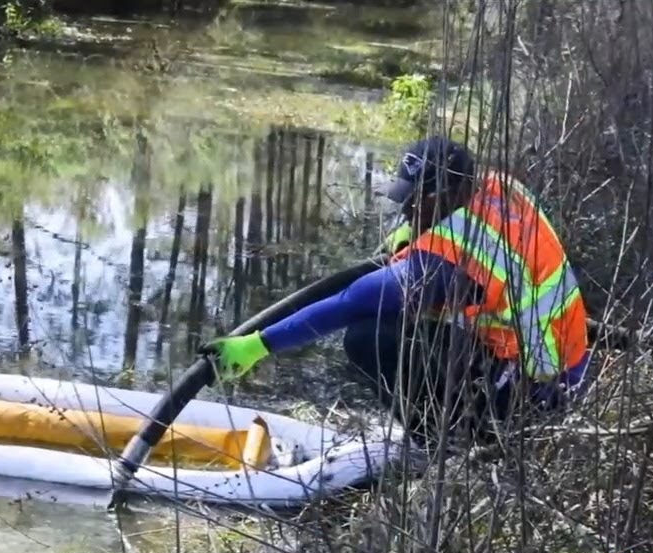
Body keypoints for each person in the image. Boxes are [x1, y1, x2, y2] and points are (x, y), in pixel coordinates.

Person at [201, 136, 593, 449]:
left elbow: (355, 300)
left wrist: (257, 345)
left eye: (414, 203)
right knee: (412, 319)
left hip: (534, 396)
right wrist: (414, 235)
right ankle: (457, 423)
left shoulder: (448, 263)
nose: (406, 212)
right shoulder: (500, 187)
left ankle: (445, 441)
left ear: (444, 197)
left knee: (370, 337)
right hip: (562, 365)